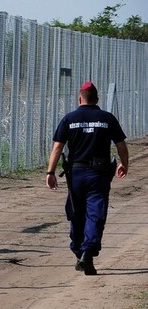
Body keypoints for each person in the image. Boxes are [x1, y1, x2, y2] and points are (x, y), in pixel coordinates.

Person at [46, 81, 129, 275]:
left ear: (79, 98)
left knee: (77, 213)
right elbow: (121, 145)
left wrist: (50, 172)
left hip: (76, 174)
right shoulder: (107, 118)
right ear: (97, 99)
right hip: (98, 175)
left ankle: (81, 252)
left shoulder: (69, 119)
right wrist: (124, 164)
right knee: (95, 214)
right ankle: (87, 253)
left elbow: (58, 147)